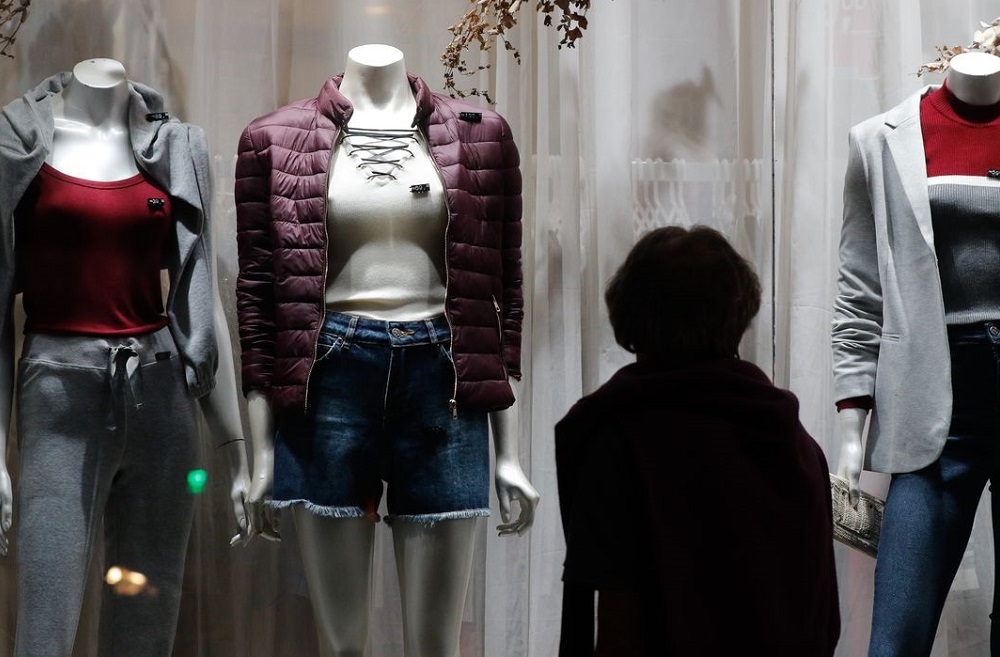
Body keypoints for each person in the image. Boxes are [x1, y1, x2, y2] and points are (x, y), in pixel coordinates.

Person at [235, 44, 539, 655]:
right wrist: (260, 454)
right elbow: (260, 303)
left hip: (443, 381)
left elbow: (501, 294)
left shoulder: (482, 135)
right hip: (328, 380)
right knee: (343, 645)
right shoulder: (272, 138)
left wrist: (509, 454)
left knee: (436, 646)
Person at [0, 58, 250, 657]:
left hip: (160, 393)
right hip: (58, 396)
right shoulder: (15, 145)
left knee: (147, 616)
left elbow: (199, 298)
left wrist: (235, 446)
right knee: (46, 619)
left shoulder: (176, 147)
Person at [557, 225, 839, 656]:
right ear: (738, 315)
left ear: (632, 315)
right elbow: (819, 616)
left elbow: (618, 627)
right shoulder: (794, 442)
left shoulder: (616, 436)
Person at [834, 50, 1000, 656]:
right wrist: (851, 425)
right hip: (932, 396)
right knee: (897, 632)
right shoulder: (879, 141)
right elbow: (859, 290)